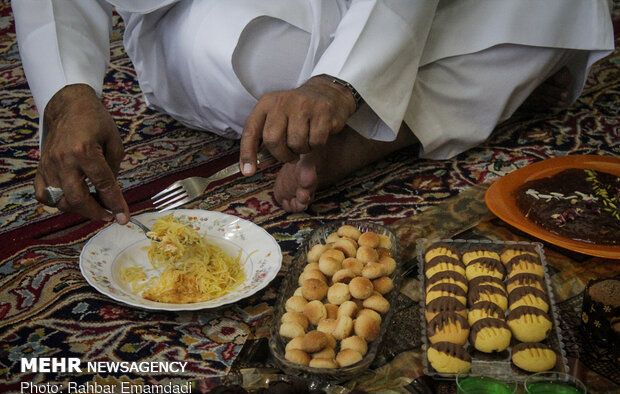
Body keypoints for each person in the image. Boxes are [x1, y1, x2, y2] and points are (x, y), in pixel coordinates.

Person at [12, 0, 614, 224]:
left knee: (558, 7)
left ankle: (359, 133)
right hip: (215, 14)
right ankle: (400, 110)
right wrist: (68, 93)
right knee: (271, 62)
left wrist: (339, 84)